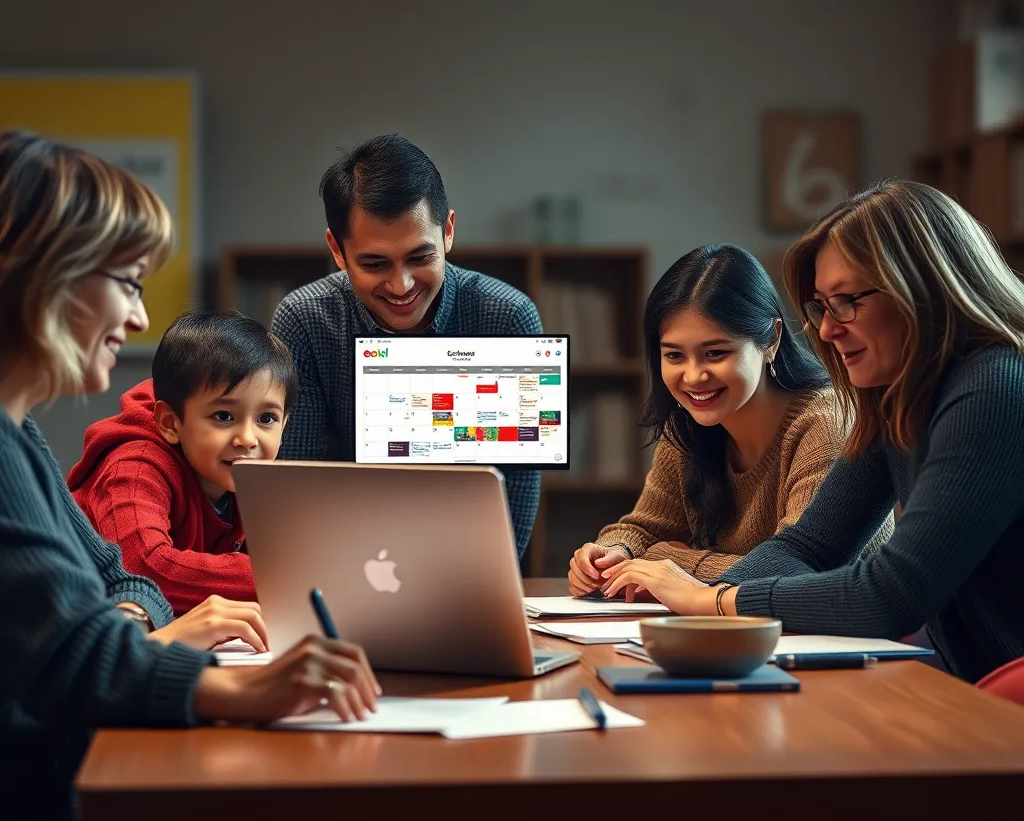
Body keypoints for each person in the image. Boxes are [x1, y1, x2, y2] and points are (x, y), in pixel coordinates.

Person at [0, 132, 380, 821]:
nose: (140, 321)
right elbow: (78, 654)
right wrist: (247, 690)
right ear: (49, 275)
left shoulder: (22, 438)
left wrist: (130, 625)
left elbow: (119, 580)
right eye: (129, 281)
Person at [601, 180, 1024, 684]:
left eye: (847, 302)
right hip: (978, 689)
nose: (825, 330)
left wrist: (712, 597)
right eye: (822, 306)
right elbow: (809, 547)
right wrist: (709, 610)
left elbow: (895, 594)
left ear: (923, 286)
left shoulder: (997, 383)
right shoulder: (896, 396)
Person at [272, 134, 543, 556]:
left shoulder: (507, 318)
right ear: (337, 251)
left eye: (420, 258)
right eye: (375, 263)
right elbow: (297, 489)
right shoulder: (305, 321)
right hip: (338, 564)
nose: (401, 286)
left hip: (472, 570)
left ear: (448, 231)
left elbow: (513, 500)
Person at [569, 245, 889, 597]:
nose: (693, 377)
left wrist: (677, 563)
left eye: (716, 353)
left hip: (840, 641)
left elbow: (801, 572)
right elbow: (645, 529)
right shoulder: (687, 426)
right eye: (674, 355)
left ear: (772, 340)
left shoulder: (826, 424)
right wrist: (613, 553)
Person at [68, 310, 295, 613]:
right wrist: (292, 579)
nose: (248, 438)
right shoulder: (135, 466)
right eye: (224, 416)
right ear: (171, 423)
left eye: (267, 418)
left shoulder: (246, 475)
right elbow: (142, 568)